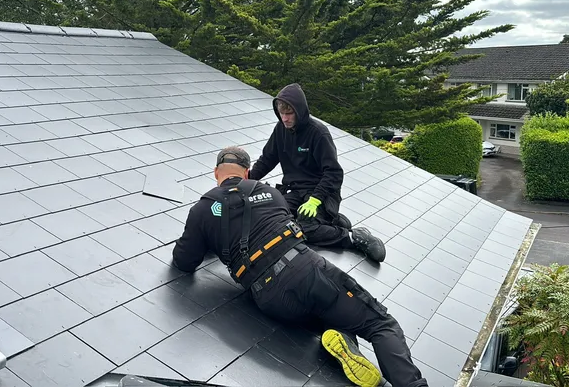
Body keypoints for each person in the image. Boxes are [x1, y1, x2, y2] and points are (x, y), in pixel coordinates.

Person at [172, 146, 428, 387]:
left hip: (269, 298)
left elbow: (184, 261)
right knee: (380, 324)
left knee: (327, 317)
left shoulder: (202, 210)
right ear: (247, 172)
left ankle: (340, 338)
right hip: (306, 271)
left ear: (216, 172)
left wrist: (209, 237)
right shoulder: (271, 193)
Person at [247, 83, 386, 263]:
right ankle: (332, 220)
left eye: (289, 114)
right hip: (296, 192)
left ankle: (352, 237)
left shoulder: (318, 133)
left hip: (322, 192)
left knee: (304, 229)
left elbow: (334, 173)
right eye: (282, 114)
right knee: (276, 219)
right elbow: (267, 159)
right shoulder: (280, 129)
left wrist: (315, 200)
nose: (285, 119)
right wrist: (246, 181)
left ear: (300, 111)